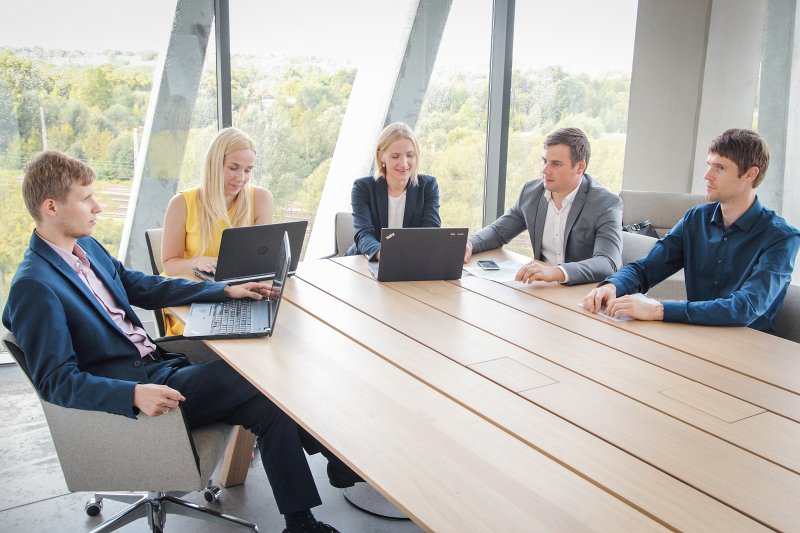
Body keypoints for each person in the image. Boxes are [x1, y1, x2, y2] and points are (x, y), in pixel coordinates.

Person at [2, 150, 339, 533]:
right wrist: (132, 395)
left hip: (161, 363)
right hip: (142, 388)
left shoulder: (86, 248)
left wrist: (225, 291)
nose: (97, 206)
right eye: (86, 198)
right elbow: (55, 382)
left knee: (267, 406)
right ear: (51, 206)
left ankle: (301, 522)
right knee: (263, 375)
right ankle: (337, 456)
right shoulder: (35, 286)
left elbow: (143, 286)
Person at [582, 128, 800, 332]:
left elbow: (745, 308)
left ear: (750, 174)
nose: (707, 175)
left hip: (747, 348)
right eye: (709, 165)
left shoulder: (781, 237)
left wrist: (658, 310)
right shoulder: (696, 218)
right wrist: (612, 286)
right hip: (693, 335)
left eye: (720, 168)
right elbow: (647, 268)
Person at [465, 127, 623, 285]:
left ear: (580, 167)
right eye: (544, 161)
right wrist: (469, 244)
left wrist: (557, 272)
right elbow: (499, 232)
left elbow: (607, 263)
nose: (545, 170)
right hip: (543, 289)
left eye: (556, 164)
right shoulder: (531, 192)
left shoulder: (605, 203)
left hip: (584, 292)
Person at [160, 127, 272, 335]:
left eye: (248, 170)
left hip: (240, 293)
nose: (241, 178)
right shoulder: (182, 203)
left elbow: (261, 261)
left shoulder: (261, 199)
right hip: (193, 297)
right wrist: (196, 261)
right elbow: (170, 265)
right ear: (214, 164)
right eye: (233, 167)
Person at [347, 122, 441, 260]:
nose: (404, 163)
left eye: (410, 155)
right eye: (395, 156)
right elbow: (363, 234)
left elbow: (430, 231)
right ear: (381, 156)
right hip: (366, 261)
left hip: (411, 262)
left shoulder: (428, 186)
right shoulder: (363, 188)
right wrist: (386, 255)